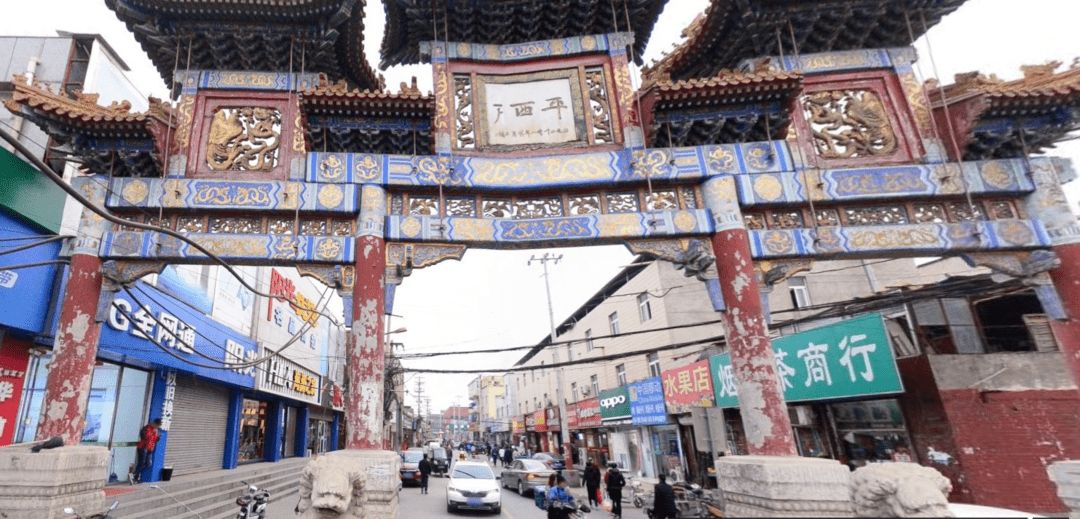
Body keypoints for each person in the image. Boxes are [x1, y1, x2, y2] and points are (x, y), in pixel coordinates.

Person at [131, 418, 162, 484]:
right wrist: (153, 432)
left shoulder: (155, 430)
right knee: (141, 463)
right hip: (143, 447)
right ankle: (135, 477)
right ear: (154, 423)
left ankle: (135, 474)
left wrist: (158, 437)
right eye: (157, 426)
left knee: (148, 464)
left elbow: (154, 440)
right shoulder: (146, 428)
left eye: (158, 427)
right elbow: (145, 437)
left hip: (150, 449)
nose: (157, 427)